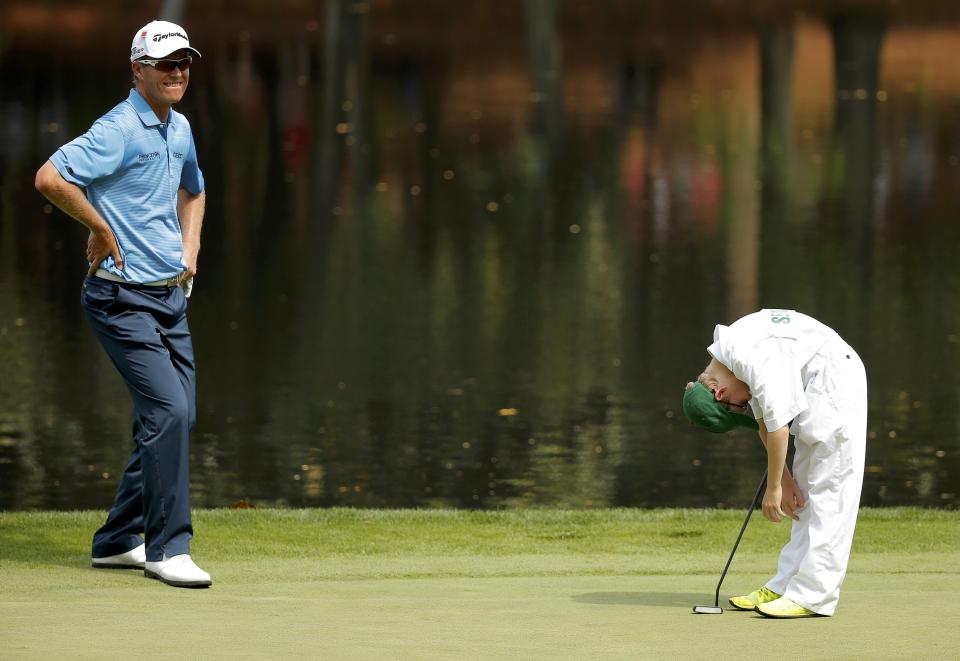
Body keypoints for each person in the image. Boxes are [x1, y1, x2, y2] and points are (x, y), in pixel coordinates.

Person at [35, 20, 211, 588]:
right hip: (119, 296)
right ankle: (167, 548)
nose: (177, 72)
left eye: (183, 62)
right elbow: (50, 177)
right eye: (165, 64)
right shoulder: (118, 129)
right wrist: (100, 226)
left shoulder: (178, 127)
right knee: (169, 413)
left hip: (169, 296)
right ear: (138, 70)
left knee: (168, 419)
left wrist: (191, 245)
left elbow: (195, 187)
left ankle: (116, 540)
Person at [682, 309, 867, 617]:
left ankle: (813, 596)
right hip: (819, 383)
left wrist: (773, 489)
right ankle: (786, 585)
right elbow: (764, 424)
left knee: (831, 490)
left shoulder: (749, 359)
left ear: (718, 392)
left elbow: (779, 427)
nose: (744, 403)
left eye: (736, 405)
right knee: (805, 496)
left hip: (836, 378)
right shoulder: (734, 361)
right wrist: (786, 481)